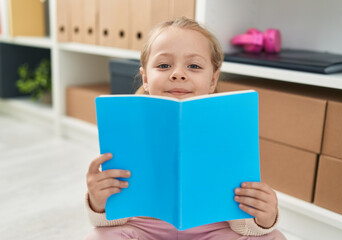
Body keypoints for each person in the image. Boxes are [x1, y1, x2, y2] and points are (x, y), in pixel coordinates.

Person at [84, 17, 286, 240]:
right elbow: (110, 222)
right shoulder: (128, 127)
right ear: (146, 78)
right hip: (143, 231)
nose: (178, 74)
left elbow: (243, 226)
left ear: (212, 80)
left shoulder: (229, 129)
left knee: (274, 238)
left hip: (212, 231)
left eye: (194, 66)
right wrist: (98, 203)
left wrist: (264, 218)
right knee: (98, 237)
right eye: (163, 65)